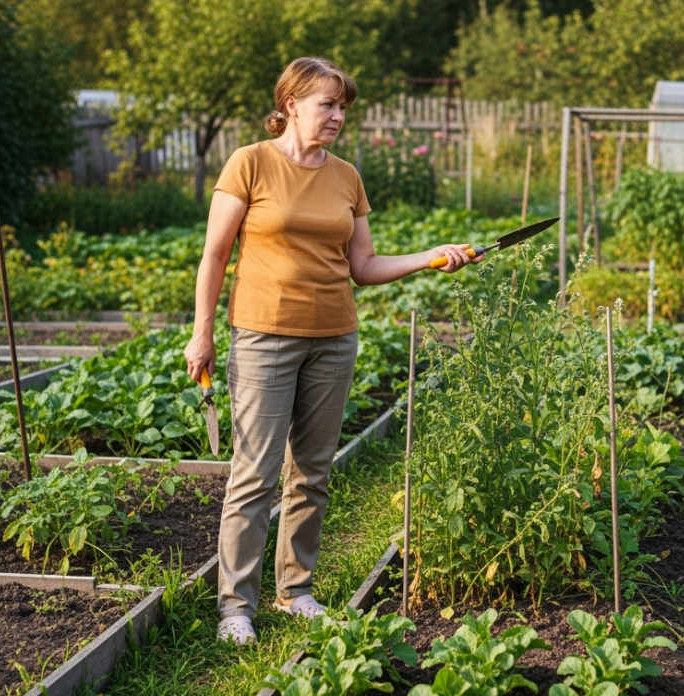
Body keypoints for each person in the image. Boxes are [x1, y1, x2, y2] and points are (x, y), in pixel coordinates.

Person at [183, 56, 482, 645]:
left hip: (335, 339)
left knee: (312, 473)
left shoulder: (346, 176)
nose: (339, 115)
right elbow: (214, 254)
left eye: (344, 106)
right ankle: (236, 606)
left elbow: (362, 266)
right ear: (291, 105)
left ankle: (294, 591)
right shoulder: (250, 163)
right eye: (328, 104)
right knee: (255, 474)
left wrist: (430, 257)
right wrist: (203, 331)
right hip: (264, 335)